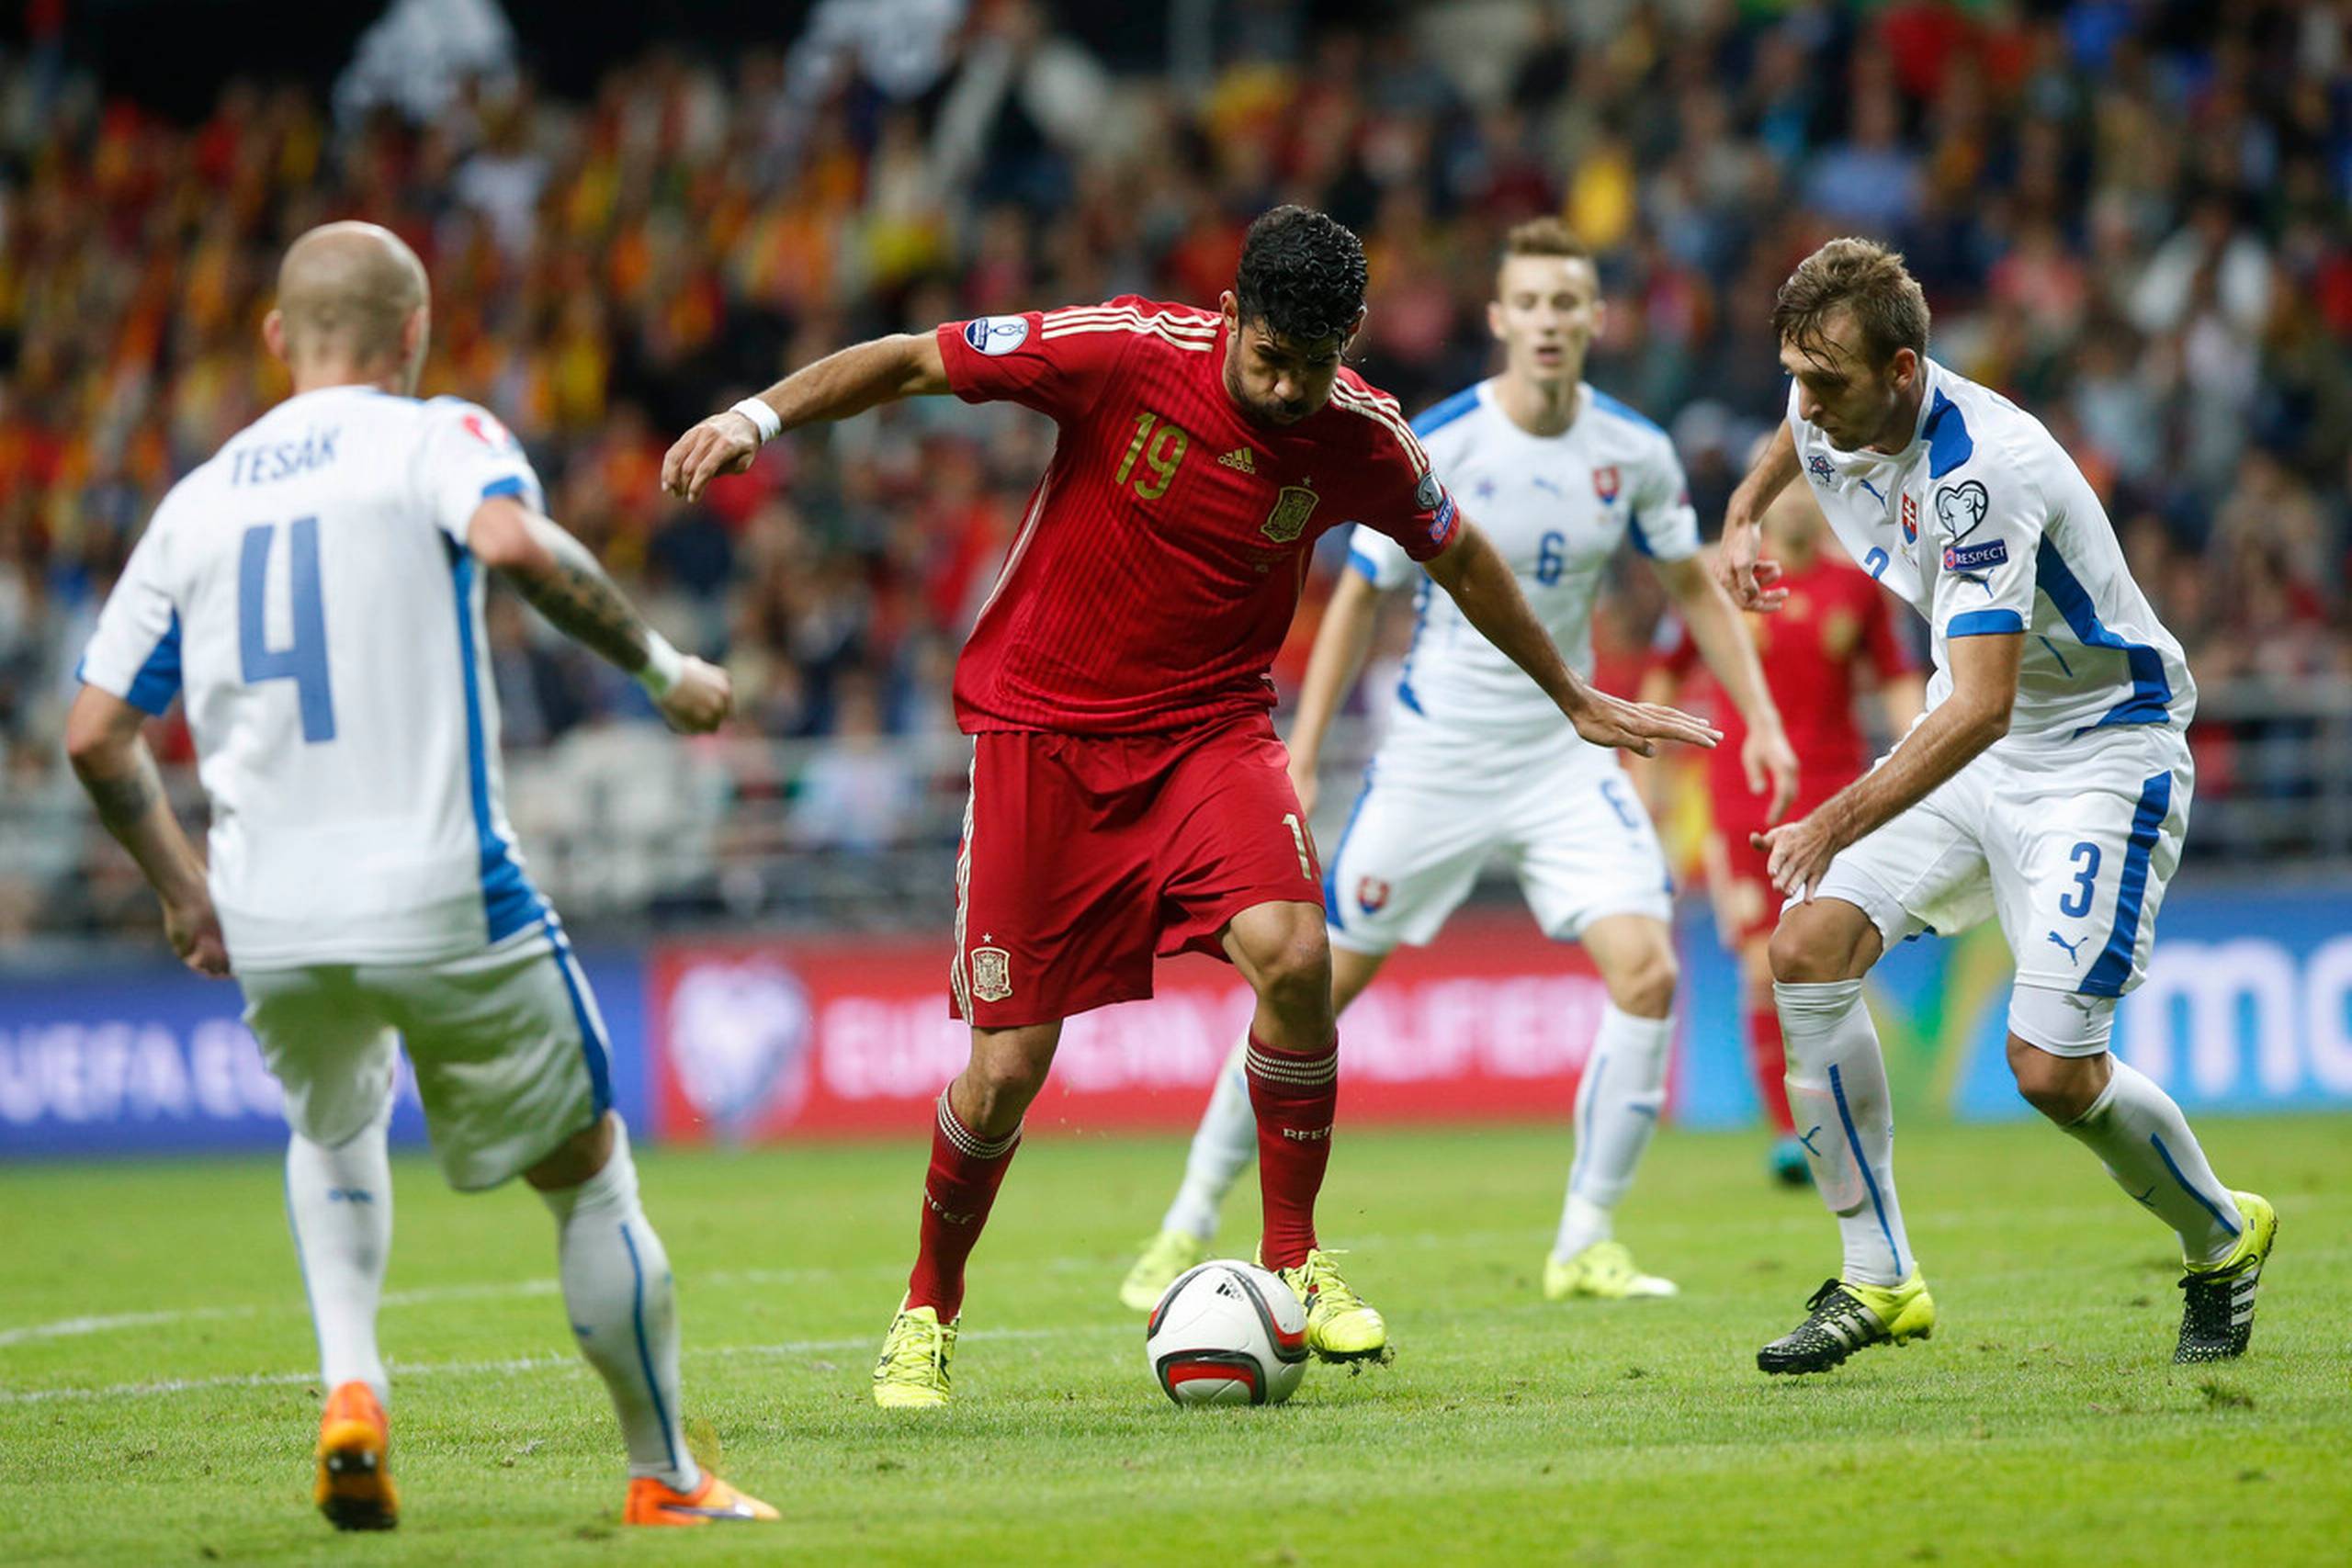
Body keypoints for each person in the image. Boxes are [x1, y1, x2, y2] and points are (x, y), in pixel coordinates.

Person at [663, 205, 1719, 1407]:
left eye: (1310, 367)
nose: (1283, 387)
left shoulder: (1363, 432)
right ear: (1228, 316)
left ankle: (1295, 1255)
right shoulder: (1121, 352)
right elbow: (914, 356)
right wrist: (756, 416)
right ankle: (927, 1305)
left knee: (1295, 951)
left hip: (1209, 729)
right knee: (1006, 1070)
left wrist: (1570, 692)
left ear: (1349, 343)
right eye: (1267, 357)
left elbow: (1460, 555)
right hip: (1043, 735)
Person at [65, 222, 775, 1529]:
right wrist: (666, 670)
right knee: (588, 1167)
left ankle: (352, 1385)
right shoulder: (437, 435)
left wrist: (180, 888)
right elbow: (511, 545)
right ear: (415, 332)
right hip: (445, 889)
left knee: (331, 1121)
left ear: (277, 338)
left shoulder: (197, 500)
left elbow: (93, 729)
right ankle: (667, 1474)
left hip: (271, 912)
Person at [1117, 218, 1793, 1313]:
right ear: (1499, 319)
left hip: (1563, 754)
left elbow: (1691, 593)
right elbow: (1357, 602)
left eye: (1566, 304)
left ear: (1594, 320)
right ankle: (1185, 1220)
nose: (1547, 323)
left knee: (1650, 973)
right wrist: (1301, 744)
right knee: (1311, 993)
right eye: (1528, 304)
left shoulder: (1635, 454)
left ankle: (1584, 1242)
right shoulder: (1438, 441)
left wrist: (1757, 713)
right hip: (1434, 756)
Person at [1718, 238, 2274, 1374]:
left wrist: (1833, 820)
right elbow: (1791, 422)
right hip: (1984, 745)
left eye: (1830, 385)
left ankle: (2222, 1236)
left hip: (2098, 755)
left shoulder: (1983, 473)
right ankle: (1877, 1279)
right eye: (1797, 376)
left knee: (2051, 1073)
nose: (1808, 406)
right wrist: (1742, 509)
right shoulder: (1827, 386)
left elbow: (1977, 706)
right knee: (1807, 947)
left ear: (1907, 370)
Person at [1643, 472, 1923, 1187]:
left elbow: (1895, 677)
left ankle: (1844, 1113)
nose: (1795, 502)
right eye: (1782, 490)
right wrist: (1652, 784)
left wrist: (1925, 753)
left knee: (1830, 961)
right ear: (1760, 505)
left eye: (1808, 489)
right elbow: (1662, 676)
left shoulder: (1856, 587)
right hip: (1741, 800)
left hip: (1836, 801)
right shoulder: (1721, 581)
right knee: (1759, 967)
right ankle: (1787, 1132)